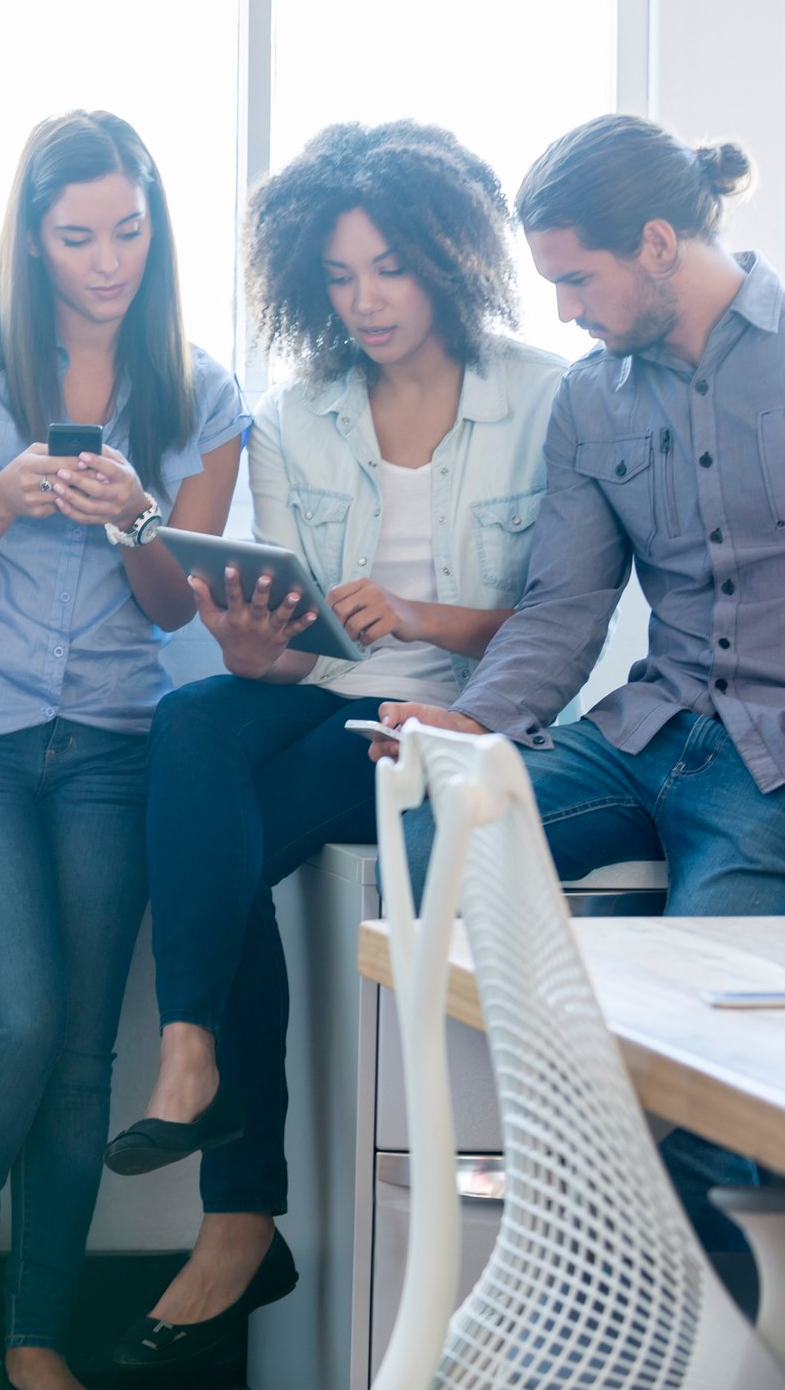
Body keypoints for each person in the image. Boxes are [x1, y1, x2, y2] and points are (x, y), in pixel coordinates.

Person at [98, 121, 566, 1372]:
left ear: (449, 260)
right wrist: (257, 649)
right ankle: (192, 1048)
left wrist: (421, 619)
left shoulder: (547, 394)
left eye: (390, 269)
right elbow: (290, 653)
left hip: (466, 723)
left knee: (222, 827)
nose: (363, 300)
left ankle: (238, 1200)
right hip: (332, 706)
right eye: (339, 276)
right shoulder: (296, 416)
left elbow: (568, 610)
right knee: (201, 713)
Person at [0, 110, 248, 1390]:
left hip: (110, 740)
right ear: (32, 242)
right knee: (17, 1017)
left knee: (84, 1046)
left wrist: (135, 518)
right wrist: (1, 495)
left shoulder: (201, 390)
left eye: (129, 231)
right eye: (78, 235)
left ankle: (34, 1333)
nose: (107, 261)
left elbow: (171, 608)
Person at [378, 113, 785, 1256]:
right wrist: (465, 725)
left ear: (658, 242)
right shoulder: (593, 400)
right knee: (433, 830)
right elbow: (564, 607)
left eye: (574, 279)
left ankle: (692, 1334)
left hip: (768, 768)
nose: (561, 310)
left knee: (713, 1066)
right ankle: (563, 1136)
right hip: (652, 731)